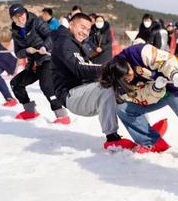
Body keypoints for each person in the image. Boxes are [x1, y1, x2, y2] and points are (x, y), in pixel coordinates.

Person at [52, 13, 136, 150]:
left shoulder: (74, 43)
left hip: (83, 91)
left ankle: (142, 130)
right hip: (71, 95)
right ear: (71, 24)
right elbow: (79, 69)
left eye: (87, 29)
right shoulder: (65, 43)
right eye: (82, 27)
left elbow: (87, 66)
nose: (84, 32)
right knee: (107, 87)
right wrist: (109, 69)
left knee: (120, 88)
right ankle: (112, 139)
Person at [8, 4, 70, 124]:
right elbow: (18, 53)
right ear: (13, 19)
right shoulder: (16, 32)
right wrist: (26, 51)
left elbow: (51, 36)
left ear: (25, 13)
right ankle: (30, 111)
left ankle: (62, 115)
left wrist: (44, 46)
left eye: (21, 15)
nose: (20, 18)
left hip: (47, 59)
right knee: (16, 83)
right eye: (16, 17)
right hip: (34, 64)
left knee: (46, 86)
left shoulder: (36, 22)